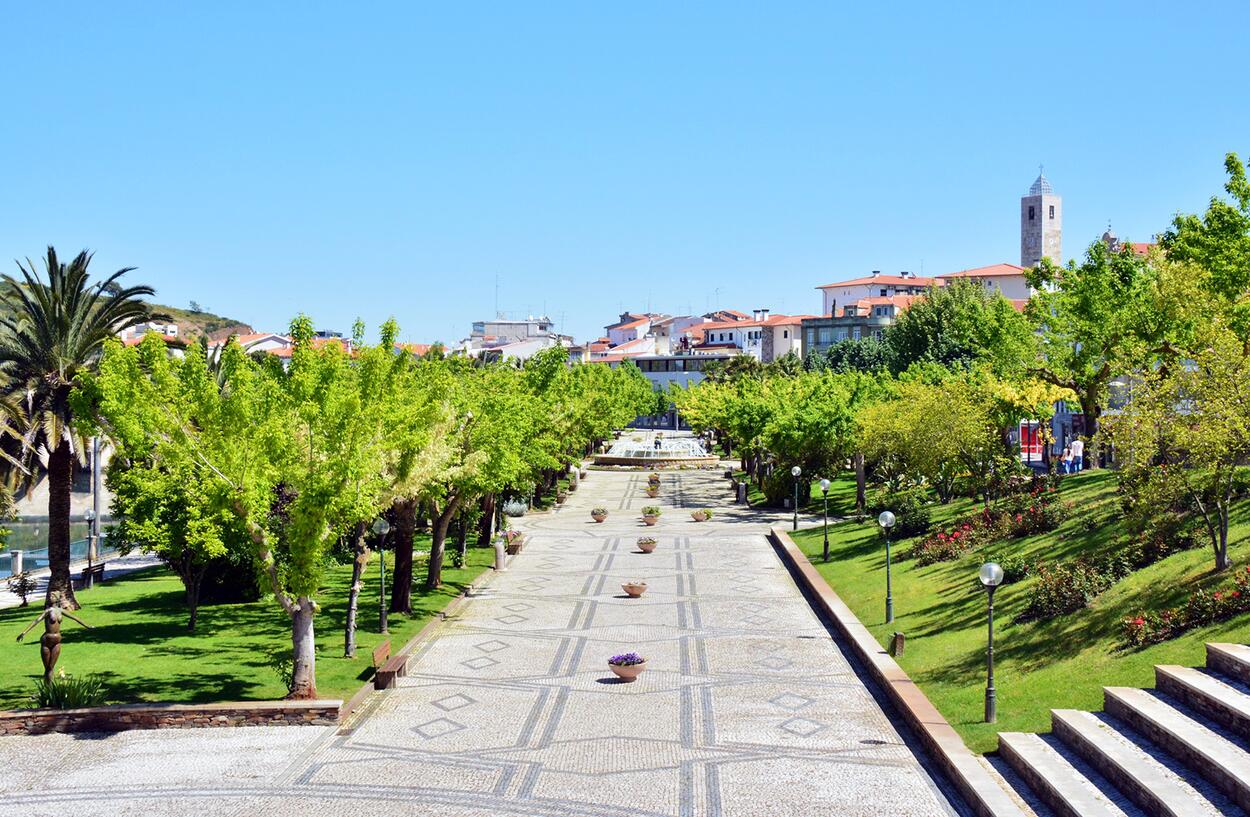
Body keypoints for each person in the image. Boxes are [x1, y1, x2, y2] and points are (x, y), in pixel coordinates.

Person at [16, 603, 92, 683]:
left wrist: (87, 626)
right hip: (47, 640)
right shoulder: (48, 611)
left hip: (57, 641)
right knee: (48, 668)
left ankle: (50, 690)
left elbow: (75, 618)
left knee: (51, 666)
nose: (52, 596)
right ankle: (48, 690)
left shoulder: (61, 611)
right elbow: (36, 621)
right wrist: (24, 632)